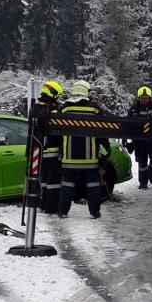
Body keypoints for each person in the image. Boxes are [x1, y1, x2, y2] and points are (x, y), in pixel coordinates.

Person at [59, 80, 110, 218]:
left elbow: (56, 131)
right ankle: (94, 212)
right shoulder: (94, 108)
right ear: (86, 92)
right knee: (93, 185)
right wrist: (106, 148)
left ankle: (63, 211)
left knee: (67, 184)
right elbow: (103, 131)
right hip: (90, 159)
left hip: (68, 159)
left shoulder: (64, 108)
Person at [35, 80, 65, 215]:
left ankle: (43, 203)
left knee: (43, 179)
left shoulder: (36, 107)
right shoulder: (54, 109)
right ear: (53, 93)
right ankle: (51, 207)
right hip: (52, 151)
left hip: (38, 151)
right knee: (53, 181)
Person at [127, 86, 152, 189]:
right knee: (142, 162)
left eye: (146, 98)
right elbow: (127, 126)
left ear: (150, 98)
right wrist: (129, 141)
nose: (144, 100)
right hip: (139, 140)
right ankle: (143, 183)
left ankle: (151, 173)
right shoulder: (133, 109)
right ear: (138, 98)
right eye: (142, 98)